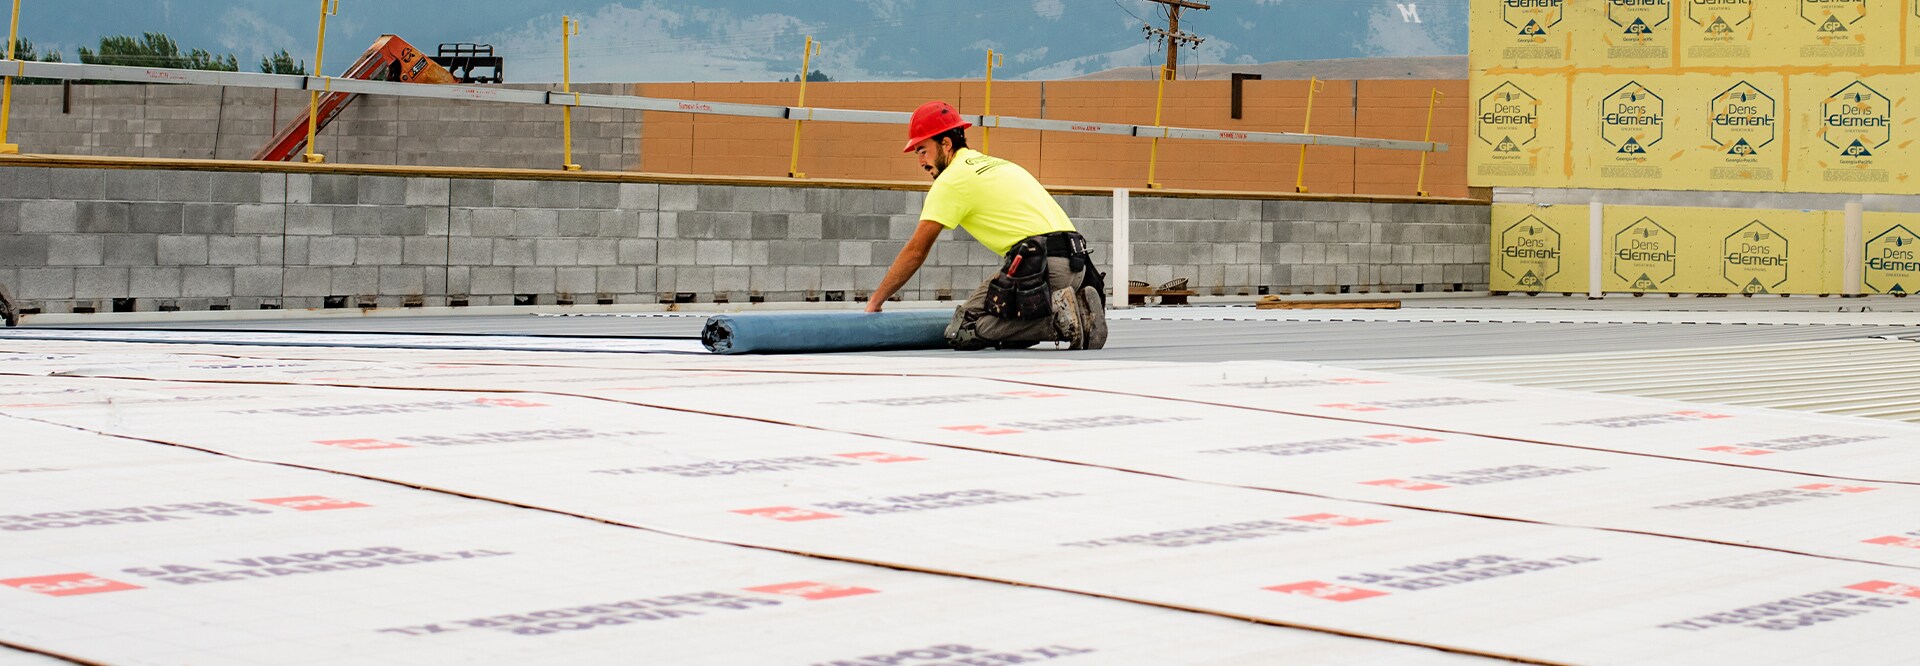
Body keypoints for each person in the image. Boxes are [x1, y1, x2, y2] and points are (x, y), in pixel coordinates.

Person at [865, 101, 1108, 350]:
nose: (921, 161)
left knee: (964, 330)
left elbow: (916, 251)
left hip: (1043, 266)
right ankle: (1075, 304)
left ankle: (1062, 318)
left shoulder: (951, 180)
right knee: (1007, 332)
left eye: (923, 150)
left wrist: (875, 302)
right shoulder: (998, 164)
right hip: (1077, 265)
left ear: (946, 144)